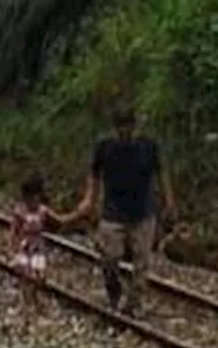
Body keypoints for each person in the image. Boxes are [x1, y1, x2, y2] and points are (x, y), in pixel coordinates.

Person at [56, 105, 177, 316]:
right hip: (113, 212)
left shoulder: (148, 148)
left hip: (143, 213)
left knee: (142, 262)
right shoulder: (105, 148)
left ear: (134, 126)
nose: (125, 132)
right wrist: (89, 200)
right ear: (115, 127)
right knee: (110, 257)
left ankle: (134, 303)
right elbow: (94, 174)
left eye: (128, 126)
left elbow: (161, 173)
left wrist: (169, 202)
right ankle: (114, 291)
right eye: (121, 127)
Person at [10, 173, 57, 314]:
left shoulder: (43, 211)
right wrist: (11, 249)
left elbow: (58, 220)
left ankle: (34, 299)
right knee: (25, 275)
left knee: (38, 276)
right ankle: (26, 303)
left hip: (37, 247)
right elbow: (13, 230)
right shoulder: (20, 212)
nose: (31, 200)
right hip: (24, 247)